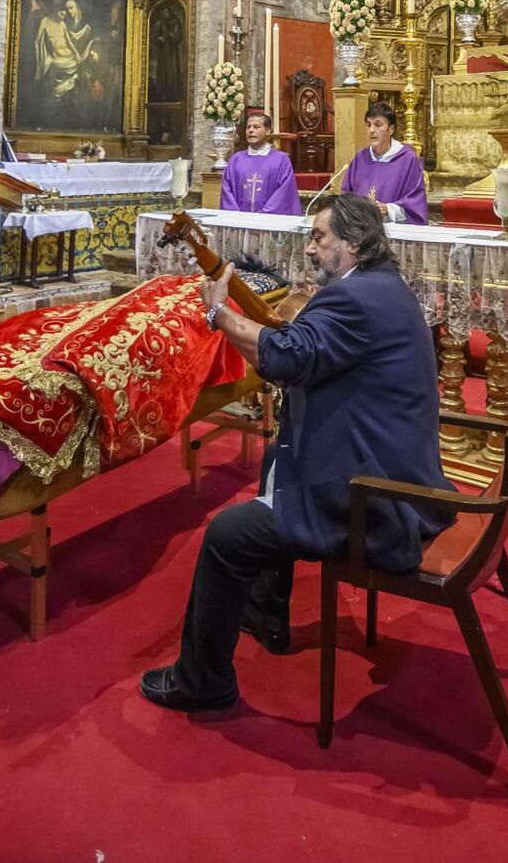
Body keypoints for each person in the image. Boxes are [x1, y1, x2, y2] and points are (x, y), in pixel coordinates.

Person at [138, 195, 455, 712]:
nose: (310, 248)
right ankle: (265, 613)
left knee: (225, 536)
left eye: (320, 237)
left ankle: (203, 681)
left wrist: (218, 312)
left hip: (376, 499)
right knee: (276, 458)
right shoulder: (384, 287)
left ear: (353, 243)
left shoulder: (352, 300)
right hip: (395, 462)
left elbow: (285, 357)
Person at [342, 100, 427, 225]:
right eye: (368, 124)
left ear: (391, 129)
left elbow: (416, 206)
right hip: (360, 231)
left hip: (393, 233)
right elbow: (346, 196)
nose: (371, 130)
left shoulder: (407, 160)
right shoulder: (360, 158)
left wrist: (388, 210)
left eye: (378, 125)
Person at [219, 112, 302, 216]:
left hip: (269, 223)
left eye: (256, 127)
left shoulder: (281, 159)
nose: (251, 130)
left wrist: (263, 215)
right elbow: (227, 191)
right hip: (239, 223)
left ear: (267, 131)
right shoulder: (236, 159)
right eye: (248, 127)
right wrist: (236, 216)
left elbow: (284, 193)